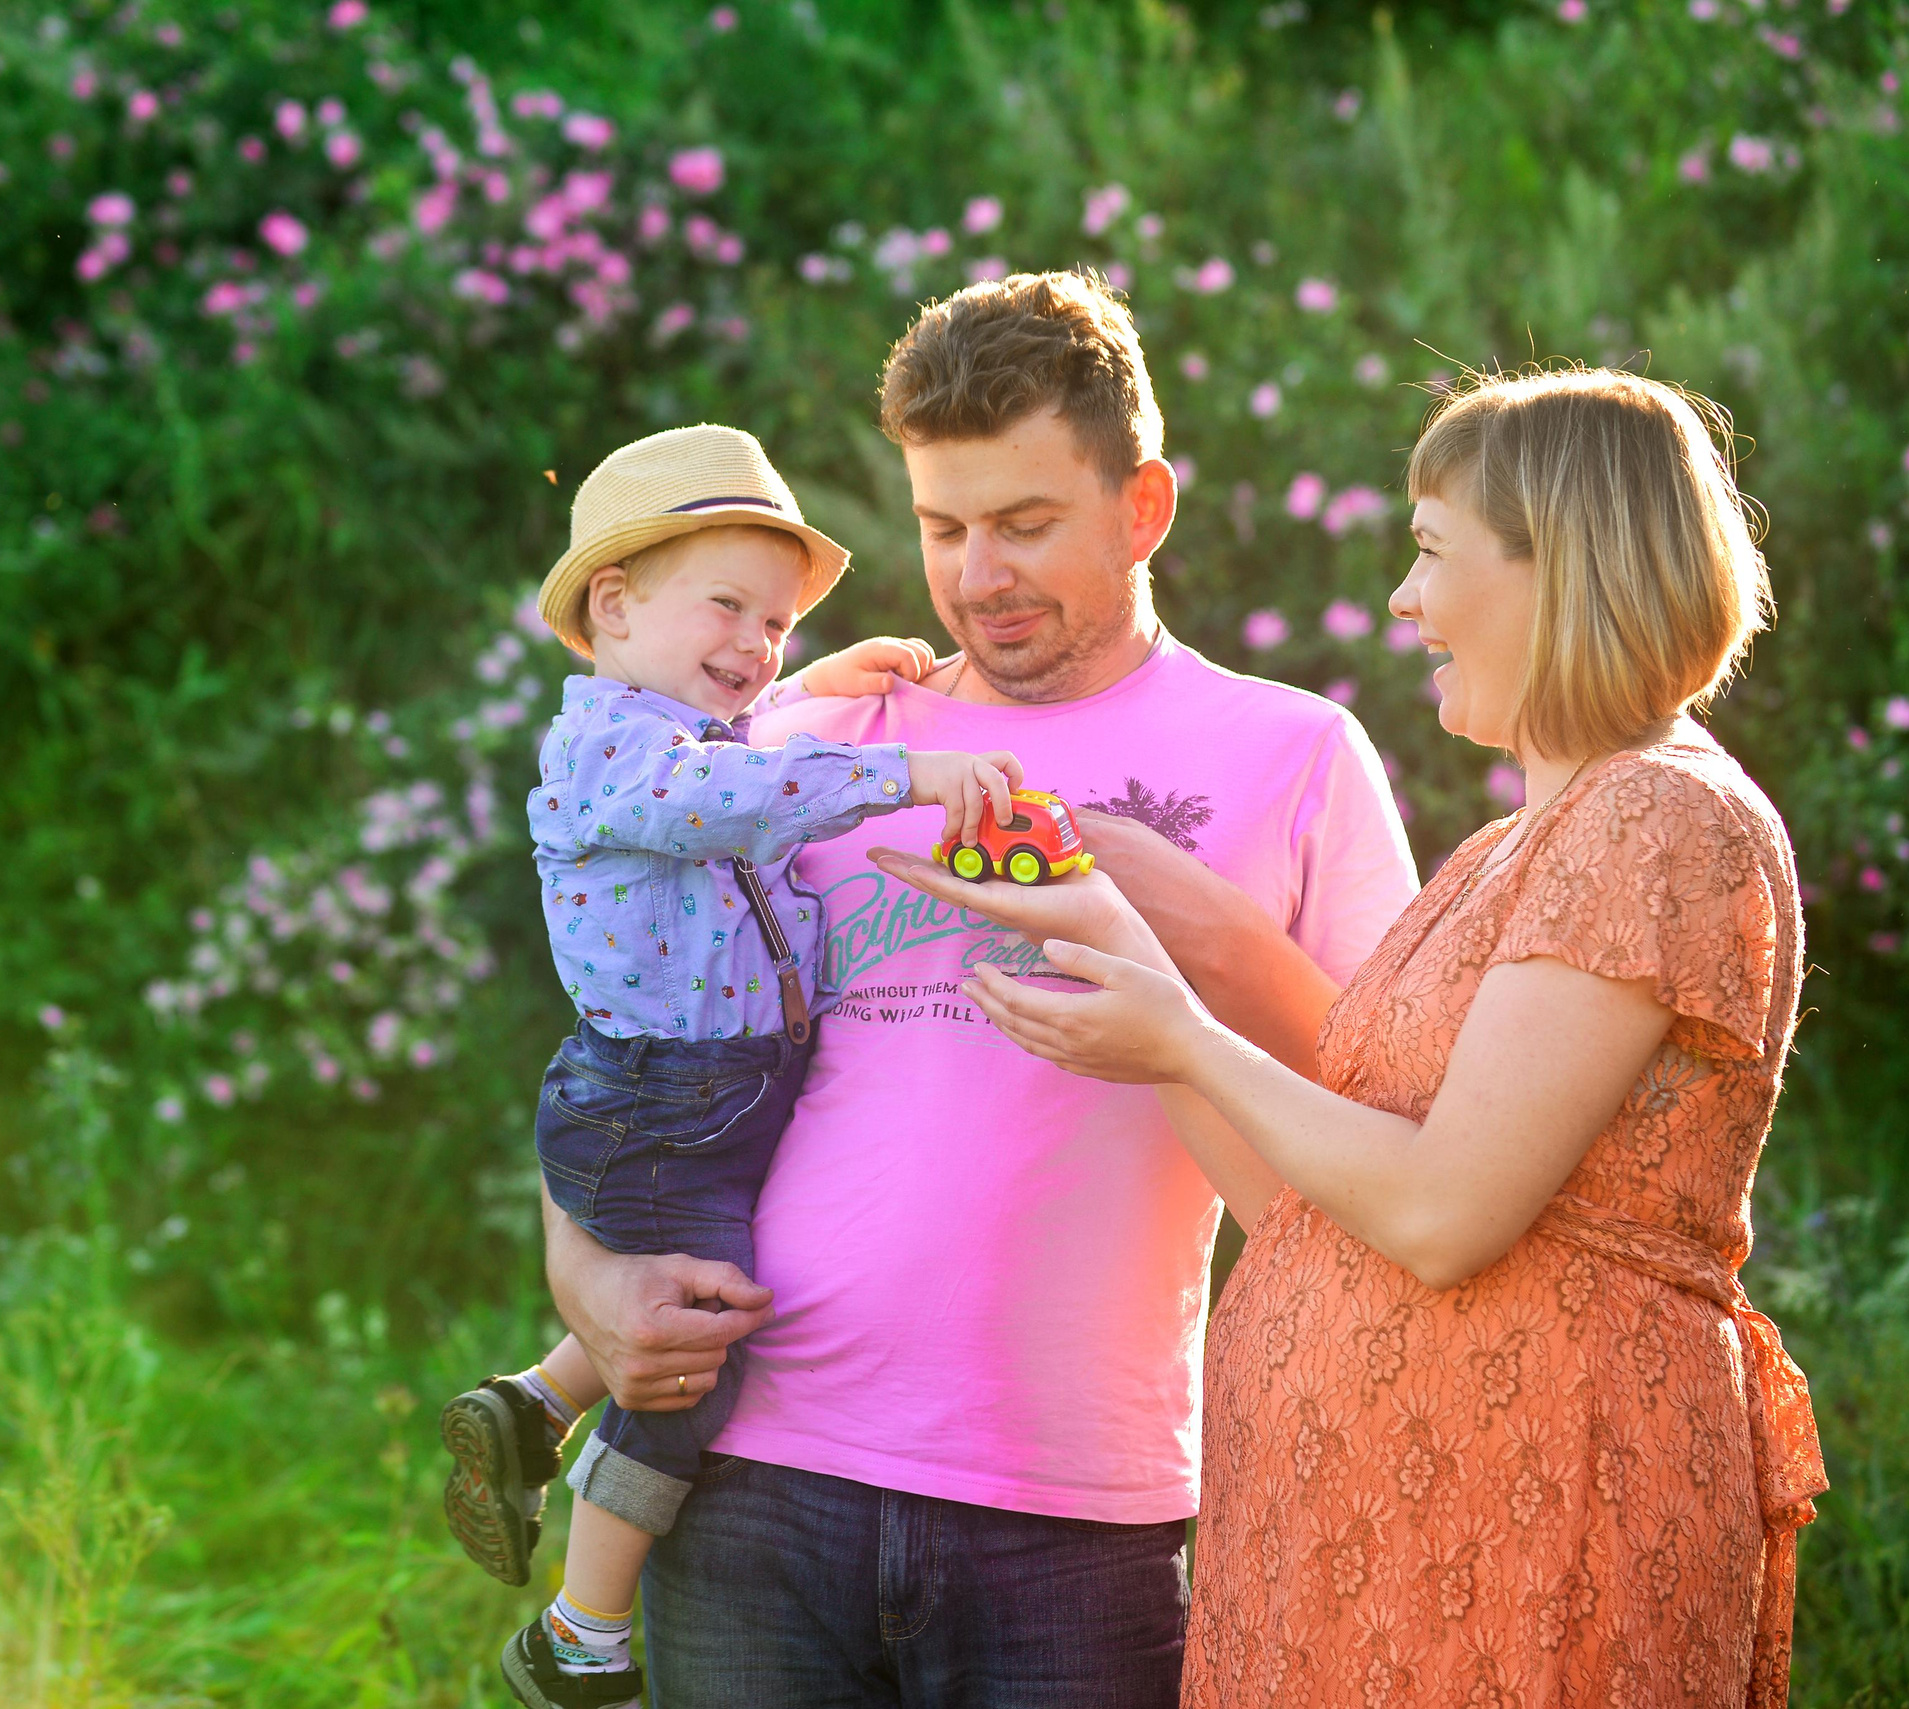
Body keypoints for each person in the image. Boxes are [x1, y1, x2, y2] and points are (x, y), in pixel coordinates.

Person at [873, 365, 1828, 1706]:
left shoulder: (1653, 819)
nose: (1403, 599)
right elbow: (1311, 1202)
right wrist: (1113, 939)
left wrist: (1188, 1040)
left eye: (1433, 552)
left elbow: (1445, 1212)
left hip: (1535, 1503)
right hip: (1373, 1530)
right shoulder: (1507, 846)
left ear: (1561, 563)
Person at [543, 272, 1420, 1706]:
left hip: (1078, 1514)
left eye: (1024, 524)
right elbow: (629, 1035)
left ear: (1143, 508)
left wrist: (1167, 906)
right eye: (944, 528)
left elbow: (1395, 1107)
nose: (976, 574)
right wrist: (587, 1277)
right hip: (754, 1471)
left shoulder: (1295, 755)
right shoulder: (812, 728)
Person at [440, 421, 1028, 1709]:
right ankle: (579, 1631)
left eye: (775, 625)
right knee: (692, 1351)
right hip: (659, 1105)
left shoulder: (706, 728)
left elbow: (743, 750)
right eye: (730, 609)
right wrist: (902, 768)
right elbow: (718, 797)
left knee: (687, 1292)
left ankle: (535, 1408)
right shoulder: (609, 749)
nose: (758, 648)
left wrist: (816, 687)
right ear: (614, 601)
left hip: (713, 1095)